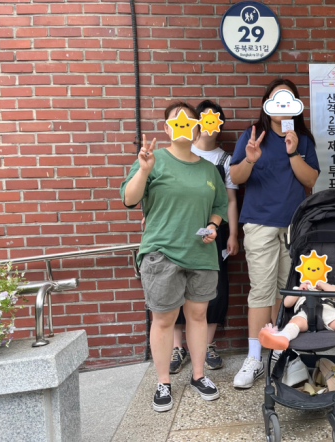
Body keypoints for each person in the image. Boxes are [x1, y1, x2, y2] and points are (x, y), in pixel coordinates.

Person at [120, 101, 228, 412]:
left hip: (201, 254)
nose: (183, 125)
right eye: (175, 121)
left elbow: (219, 206)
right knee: (164, 319)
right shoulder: (153, 160)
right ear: (167, 128)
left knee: (198, 316)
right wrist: (144, 170)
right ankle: (163, 382)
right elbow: (129, 199)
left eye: (189, 121)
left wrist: (212, 226)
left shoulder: (209, 169)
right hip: (162, 252)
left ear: (197, 128)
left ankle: (198, 375)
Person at [229, 78, 320, 389]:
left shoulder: (302, 139)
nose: (283, 104)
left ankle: (281, 351)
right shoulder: (253, 134)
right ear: (267, 103)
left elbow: (310, 180)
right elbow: (235, 176)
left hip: (294, 226)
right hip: (260, 223)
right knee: (261, 291)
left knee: (287, 292)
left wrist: (293, 153)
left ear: (296, 105)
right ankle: (255, 357)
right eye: (277, 98)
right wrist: (250, 159)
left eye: (289, 99)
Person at [168, 100, 239, 374]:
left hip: (214, 232)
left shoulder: (224, 160)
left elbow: (229, 200)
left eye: (214, 121)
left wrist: (233, 234)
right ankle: (177, 347)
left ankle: (207, 345)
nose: (209, 127)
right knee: (175, 285)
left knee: (215, 289)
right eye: (204, 120)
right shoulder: (180, 151)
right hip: (179, 229)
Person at [259, 281, 335, 370]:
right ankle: (282, 338)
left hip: (327, 311)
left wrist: (322, 284)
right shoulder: (298, 288)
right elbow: (287, 303)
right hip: (305, 312)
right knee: (295, 322)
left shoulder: (328, 286)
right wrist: (300, 289)